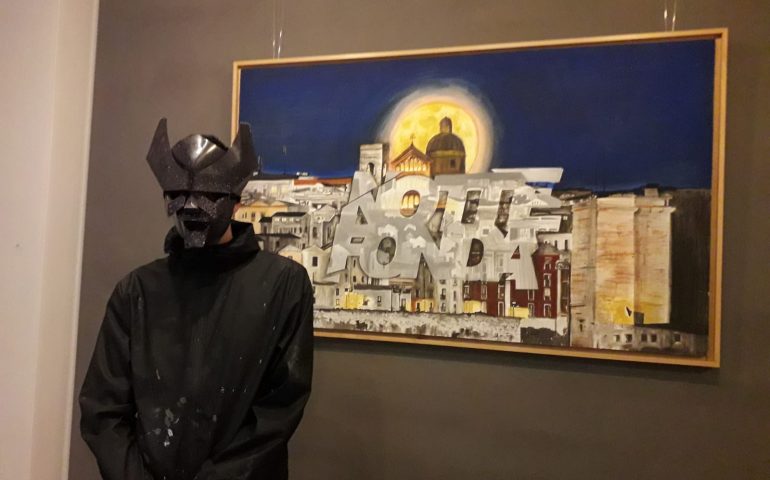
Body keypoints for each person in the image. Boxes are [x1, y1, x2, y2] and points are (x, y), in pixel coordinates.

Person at [79, 118, 314, 480]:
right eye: (178, 195)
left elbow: (278, 408)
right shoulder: (136, 291)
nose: (191, 207)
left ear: (236, 202)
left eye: (210, 196)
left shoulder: (283, 284)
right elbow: (103, 409)